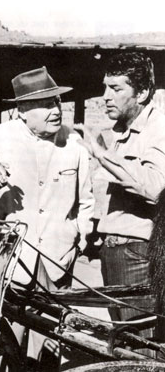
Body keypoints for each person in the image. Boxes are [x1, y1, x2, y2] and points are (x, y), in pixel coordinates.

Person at [0, 67, 94, 361]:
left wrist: (80, 240)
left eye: (57, 102)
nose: (56, 110)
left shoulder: (74, 145)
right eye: (46, 104)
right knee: (5, 346)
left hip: (57, 264)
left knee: (52, 345)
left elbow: (86, 202)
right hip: (10, 266)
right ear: (22, 110)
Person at [83, 52, 165, 342]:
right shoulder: (117, 131)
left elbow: (156, 187)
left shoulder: (158, 129)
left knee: (139, 345)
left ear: (142, 92)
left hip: (138, 254)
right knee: (123, 340)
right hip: (115, 250)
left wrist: (103, 155)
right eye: (105, 87)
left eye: (116, 89)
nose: (106, 96)